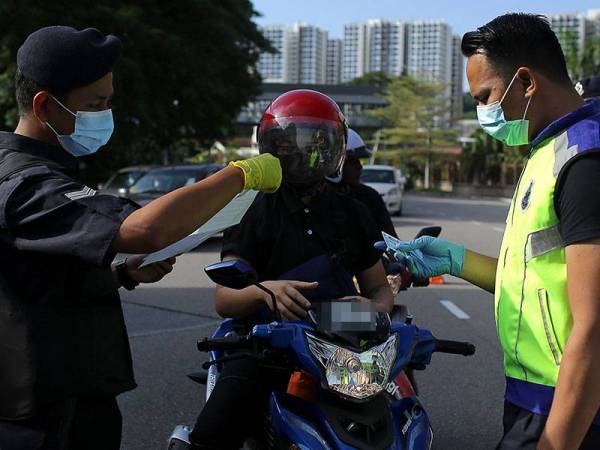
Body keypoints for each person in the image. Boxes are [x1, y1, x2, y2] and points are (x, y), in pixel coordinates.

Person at [0, 26, 281, 450]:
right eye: (95, 104)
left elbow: (37, 282)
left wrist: (125, 275)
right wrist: (242, 173)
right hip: (41, 413)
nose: (105, 114)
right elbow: (145, 231)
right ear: (44, 105)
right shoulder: (24, 182)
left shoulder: (43, 170)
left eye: (108, 102)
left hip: (71, 393)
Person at [381, 13, 600, 450]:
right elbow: (535, 280)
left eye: (486, 97)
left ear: (526, 82)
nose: (483, 112)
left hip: (570, 410)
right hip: (531, 399)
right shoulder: (546, 151)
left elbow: (594, 325)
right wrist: (458, 260)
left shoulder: (584, 161)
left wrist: (557, 441)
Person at [189, 89, 393, 449]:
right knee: (213, 433)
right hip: (267, 336)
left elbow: (378, 287)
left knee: (398, 413)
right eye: (288, 143)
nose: (301, 153)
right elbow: (225, 298)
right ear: (270, 146)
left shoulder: (353, 212)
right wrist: (265, 291)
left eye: (315, 142)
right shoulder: (251, 207)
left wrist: (372, 309)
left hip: (341, 333)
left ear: (336, 148)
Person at [328, 128, 397, 238]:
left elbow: (392, 243)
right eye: (352, 161)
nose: (359, 167)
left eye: (359, 161)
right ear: (333, 161)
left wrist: (408, 251)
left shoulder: (369, 197)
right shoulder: (312, 201)